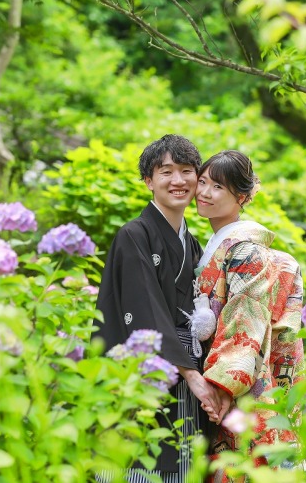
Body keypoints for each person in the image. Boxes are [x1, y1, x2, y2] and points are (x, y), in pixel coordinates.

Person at [95, 135, 220, 481]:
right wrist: (192, 375)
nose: (178, 181)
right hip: (150, 368)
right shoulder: (134, 234)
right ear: (149, 181)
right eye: (166, 172)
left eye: (186, 171)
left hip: (188, 371)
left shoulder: (193, 243)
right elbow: (143, 307)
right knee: (141, 456)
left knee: (180, 461)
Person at [193, 150, 304, 480]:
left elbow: (247, 318)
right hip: (217, 370)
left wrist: (224, 385)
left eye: (217, 187)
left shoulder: (246, 248)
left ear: (241, 196)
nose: (204, 193)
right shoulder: (219, 243)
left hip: (239, 379)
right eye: (202, 182)